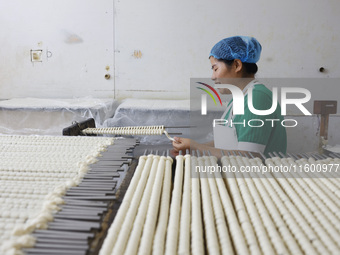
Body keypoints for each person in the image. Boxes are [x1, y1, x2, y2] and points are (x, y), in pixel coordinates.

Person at [172, 36, 287, 157]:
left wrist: (196, 147)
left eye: (215, 68)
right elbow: (227, 144)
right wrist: (192, 148)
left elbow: (249, 157)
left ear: (237, 65)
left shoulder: (257, 98)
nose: (212, 77)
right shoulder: (238, 99)